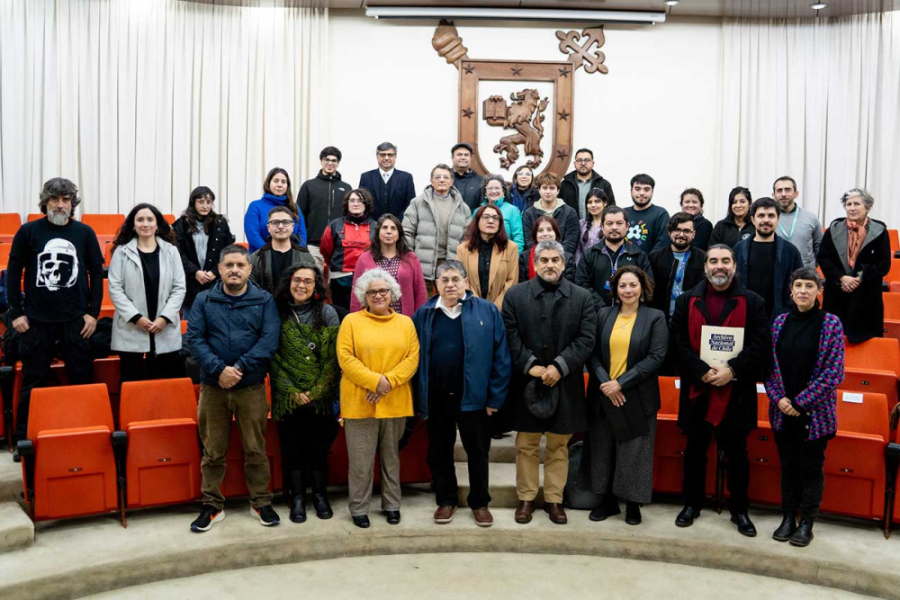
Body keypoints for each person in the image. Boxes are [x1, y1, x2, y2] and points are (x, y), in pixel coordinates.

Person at [670, 244, 771, 536]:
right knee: (694, 451)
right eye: (713, 261)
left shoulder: (753, 302)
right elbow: (677, 343)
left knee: (737, 454)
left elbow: (761, 344)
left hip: (736, 390)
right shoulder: (687, 300)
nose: (719, 266)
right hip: (697, 388)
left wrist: (732, 370)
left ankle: (739, 510)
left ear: (735, 266)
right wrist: (701, 370)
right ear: (705, 267)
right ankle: (691, 504)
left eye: (725, 261)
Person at [6, 177, 104, 458]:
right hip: (36, 320)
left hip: (76, 320)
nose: (60, 205)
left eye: (65, 200)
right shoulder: (28, 232)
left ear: (73, 203)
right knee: (33, 382)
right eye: (54, 199)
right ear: (45, 202)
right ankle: (25, 440)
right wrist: (16, 313)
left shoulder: (84, 233)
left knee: (81, 378)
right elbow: (13, 274)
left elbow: (97, 274)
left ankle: (86, 433)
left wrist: (93, 314)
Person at [187, 244, 281, 532]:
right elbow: (194, 339)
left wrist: (237, 368)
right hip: (213, 388)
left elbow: (268, 341)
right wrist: (219, 370)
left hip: (250, 387)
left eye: (241, 265)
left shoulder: (264, 301)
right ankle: (212, 506)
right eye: (229, 265)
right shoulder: (204, 300)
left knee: (255, 449)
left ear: (249, 269)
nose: (235, 270)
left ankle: (260, 502)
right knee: (212, 451)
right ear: (219, 269)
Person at [503, 241, 597, 525]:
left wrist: (560, 366)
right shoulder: (516, 296)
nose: (550, 265)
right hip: (526, 382)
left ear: (564, 264)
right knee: (526, 445)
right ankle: (527, 499)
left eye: (555, 259)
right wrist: (530, 365)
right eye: (543, 259)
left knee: (558, 447)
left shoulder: (582, 297)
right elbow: (510, 335)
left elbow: (586, 339)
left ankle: (555, 500)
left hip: (565, 384)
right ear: (534, 264)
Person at [412, 261, 511, 527]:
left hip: (475, 400)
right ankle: (446, 500)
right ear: (436, 285)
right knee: (439, 452)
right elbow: (414, 358)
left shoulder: (487, 311)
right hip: (436, 398)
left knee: (477, 452)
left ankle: (480, 502)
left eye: (456, 279)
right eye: (444, 280)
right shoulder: (423, 314)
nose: (450, 284)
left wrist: (494, 398)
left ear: (466, 282)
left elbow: (501, 357)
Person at [765, 268, 844, 547]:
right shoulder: (779, 322)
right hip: (782, 412)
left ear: (818, 291)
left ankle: (807, 522)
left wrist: (799, 402)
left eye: (809, 286)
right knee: (787, 467)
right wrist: (780, 400)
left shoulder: (831, 323)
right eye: (797, 285)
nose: (802, 290)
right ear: (790, 291)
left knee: (811, 468)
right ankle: (788, 517)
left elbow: (833, 373)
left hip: (815, 415)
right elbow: (769, 369)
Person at [337, 269, 420, 529]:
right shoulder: (351, 321)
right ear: (364, 295)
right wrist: (376, 382)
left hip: (395, 402)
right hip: (359, 401)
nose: (378, 295)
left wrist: (387, 383)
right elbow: (346, 358)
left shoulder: (406, 323)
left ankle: (392, 505)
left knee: (391, 458)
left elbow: (412, 359)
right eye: (372, 292)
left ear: (392, 293)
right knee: (360, 462)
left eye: (383, 290)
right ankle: (359, 508)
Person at [587, 266, 668, 526]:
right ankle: (607, 501)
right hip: (604, 395)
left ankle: (633, 505)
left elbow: (656, 357)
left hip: (637, 396)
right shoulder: (603, 315)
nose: (628, 290)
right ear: (615, 289)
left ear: (642, 288)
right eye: (622, 285)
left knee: (635, 454)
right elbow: (592, 353)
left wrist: (621, 383)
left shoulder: (655, 317)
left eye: (633, 285)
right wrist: (606, 383)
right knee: (603, 450)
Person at [270, 264, 342, 524]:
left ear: (316, 287)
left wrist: (316, 391)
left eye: (308, 281)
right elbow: (273, 357)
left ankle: (320, 496)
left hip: (321, 397)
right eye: (297, 280)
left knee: (319, 449)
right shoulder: (277, 313)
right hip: (288, 397)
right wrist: (293, 391)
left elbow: (333, 360)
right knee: (292, 450)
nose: (301, 285)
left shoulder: (328, 313)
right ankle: (297, 498)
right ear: (288, 283)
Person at [108, 203, 186, 382]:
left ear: (157, 224)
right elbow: (115, 289)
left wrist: (164, 318)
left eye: (150, 219)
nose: (145, 224)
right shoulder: (121, 252)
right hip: (131, 327)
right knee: (131, 381)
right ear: (133, 225)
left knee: (161, 385)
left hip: (164, 326)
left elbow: (179, 287)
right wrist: (137, 318)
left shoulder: (171, 251)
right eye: (140, 220)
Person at [817, 188, 891, 343]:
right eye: (848, 204)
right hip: (837, 293)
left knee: (867, 343)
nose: (852, 207)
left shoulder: (880, 231)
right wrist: (841, 277)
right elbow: (823, 257)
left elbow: (883, 263)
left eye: (857, 203)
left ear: (867, 206)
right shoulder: (834, 229)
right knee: (833, 340)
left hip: (866, 295)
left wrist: (857, 279)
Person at [402, 164, 472, 293]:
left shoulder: (463, 207)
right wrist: (410, 255)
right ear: (431, 181)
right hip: (423, 263)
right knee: (424, 304)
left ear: (451, 182)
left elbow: (468, 236)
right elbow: (407, 231)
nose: (441, 180)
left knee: (449, 302)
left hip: (451, 263)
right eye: (437, 177)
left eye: (445, 177)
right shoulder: (418, 203)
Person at [734, 197, 803, 321]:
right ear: (752, 219)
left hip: (780, 318)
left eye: (771, 216)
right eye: (761, 216)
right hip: (745, 316)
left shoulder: (791, 252)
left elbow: (799, 285)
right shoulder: (738, 250)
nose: (766, 220)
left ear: (778, 219)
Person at [350, 214, 428, 317]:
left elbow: (420, 292)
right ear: (378, 232)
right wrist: (357, 320)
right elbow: (356, 296)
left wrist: (420, 320)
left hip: (404, 320)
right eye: (385, 228)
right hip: (373, 320)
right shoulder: (364, 259)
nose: (389, 231)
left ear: (399, 233)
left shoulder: (411, 258)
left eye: (393, 228)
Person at [576, 206, 653, 309]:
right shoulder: (589, 254)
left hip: (630, 315)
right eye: (609, 223)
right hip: (597, 314)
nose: (614, 227)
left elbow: (648, 286)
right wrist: (601, 307)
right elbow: (581, 284)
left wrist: (629, 306)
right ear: (602, 227)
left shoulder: (638, 255)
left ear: (627, 226)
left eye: (619, 223)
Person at [173, 186, 235, 313]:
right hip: (189, 281)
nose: (205, 206)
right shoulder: (182, 223)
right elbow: (178, 253)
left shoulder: (220, 223)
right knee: (191, 323)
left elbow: (228, 251)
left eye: (209, 202)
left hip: (215, 280)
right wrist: (195, 272)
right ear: (193, 203)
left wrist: (214, 271)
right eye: (201, 202)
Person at [320, 189, 376, 310]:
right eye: (352, 200)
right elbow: (325, 249)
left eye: (360, 201)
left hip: (367, 279)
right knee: (341, 313)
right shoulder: (335, 225)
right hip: (340, 280)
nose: (356, 204)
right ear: (347, 204)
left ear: (366, 204)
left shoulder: (375, 227)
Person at [456, 204, 519, 309]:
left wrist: (494, 308)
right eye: (486, 217)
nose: (491, 221)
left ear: (500, 223)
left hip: (501, 310)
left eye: (495, 218)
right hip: (472, 307)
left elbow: (512, 281)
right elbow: (461, 279)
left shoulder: (511, 248)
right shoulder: (463, 249)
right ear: (477, 221)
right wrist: (480, 307)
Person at [648, 212, 707, 322]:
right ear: (669, 232)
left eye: (686, 231)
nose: (681, 234)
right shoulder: (655, 258)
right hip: (660, 319)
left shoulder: (704, 258)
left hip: (691, 319)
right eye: (677, 230)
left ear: (693, 234)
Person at [298, 147, 352, 266]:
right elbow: (299, 215)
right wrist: (302, 241)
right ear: (321, 161)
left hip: (338, 244)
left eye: (334, 160)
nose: (330, 163)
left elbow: (349, 216)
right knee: (314, 280)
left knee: (334, 283)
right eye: (327, 159)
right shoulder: (309, 186)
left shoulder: (346, 188)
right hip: (313, 244)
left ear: (338, 163)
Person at [249, 206, 317, 295]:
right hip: (265, 306)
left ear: (292, 227)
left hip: (296, 306)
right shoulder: (256, 257)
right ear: (268, 228)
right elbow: (251, 286)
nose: (281, 226)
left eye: (285, 222)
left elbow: (313, 286)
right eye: (275, 222)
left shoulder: (305, 256)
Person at [244, 167, 306, 254]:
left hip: (292, 258)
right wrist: (271, 252)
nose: (279, 185)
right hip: (262, 257)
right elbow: (253, 235)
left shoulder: (294, 207)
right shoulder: (255, 206)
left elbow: (302, 234)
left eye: (283, 182)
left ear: (287, 186)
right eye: (276, 181)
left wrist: (296, 252)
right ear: (268, 183)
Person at [521, 171, 580, 255]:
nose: (548, 192)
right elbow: (529, 241)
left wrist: (555, 258)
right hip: (537, 261)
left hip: (562, 261)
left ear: (558, 190)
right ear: (539, 190)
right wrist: (542, 258)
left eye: (552, 188)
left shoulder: (570, 212)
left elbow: (570, 243)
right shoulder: (529, 213)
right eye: (544, 188)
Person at [773, 176, 823, 270]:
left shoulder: (810, 218)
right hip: (777, 274)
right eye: (779, 190)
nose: (783, 194)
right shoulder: (768, 220)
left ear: (796, 194)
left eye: (787, 190)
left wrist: (810, 267)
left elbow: (820, 247)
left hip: (805, 275)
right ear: (774, 195)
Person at [358, 142, 416, 219]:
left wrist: (397, 223)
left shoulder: (406, 178)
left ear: (395, 157)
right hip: (371, 226)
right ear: (377, 157)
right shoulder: (366, 177)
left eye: (390, 155)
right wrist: (372, 224)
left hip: (399, 226)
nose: (386, 158)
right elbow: (362, 203)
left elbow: (410, 204)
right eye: (382, 155)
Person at [559, 148, 616, 218]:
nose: (583, 163)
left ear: (593, 163)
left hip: (597, 226)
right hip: (571, 226)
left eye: (587, 160)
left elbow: (611, 209)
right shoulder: (564, 185)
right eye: (579, 160)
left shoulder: (604, 184)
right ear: (575, 164)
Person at [519, 216, 575, 283]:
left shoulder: (568, 258)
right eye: (540, 230)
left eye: (549, 230)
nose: (545, 234)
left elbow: (569, 285)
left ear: (556, 233)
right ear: (535, 235)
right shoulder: (524, 257)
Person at [624, 174, 669, 252]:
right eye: (637, 189)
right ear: (631, 191)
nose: (642, 193)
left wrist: (645, 262)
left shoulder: (661, 214)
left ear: (652, 192)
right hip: (623, 263)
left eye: (646, 189)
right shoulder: (623, 213)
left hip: (649, 263)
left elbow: (662, 244)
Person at [479, 175, 524, 251]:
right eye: (490, 188)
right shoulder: (478, 211)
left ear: (503, 191)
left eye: (497, 188)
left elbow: (518, 239)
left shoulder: (512, 210)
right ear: (485, 192)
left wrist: (514, 259)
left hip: (506, 257)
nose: (494, 191)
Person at [575, 188, 610, 266]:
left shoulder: (610, 223)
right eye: (590, 202)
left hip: (605, 266)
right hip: (585, 267)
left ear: (605, 203)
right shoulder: (581, 223)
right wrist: (580, 268)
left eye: (597, 201)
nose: (593, 205)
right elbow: (578, 250)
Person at [450, 143, 484, 211]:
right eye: (459, 155)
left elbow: (482, 205)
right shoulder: (445, 178)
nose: (463, 157)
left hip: (472, 220)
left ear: (470, 158)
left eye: (466, 155)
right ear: (452, 158)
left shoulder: (480, 180)